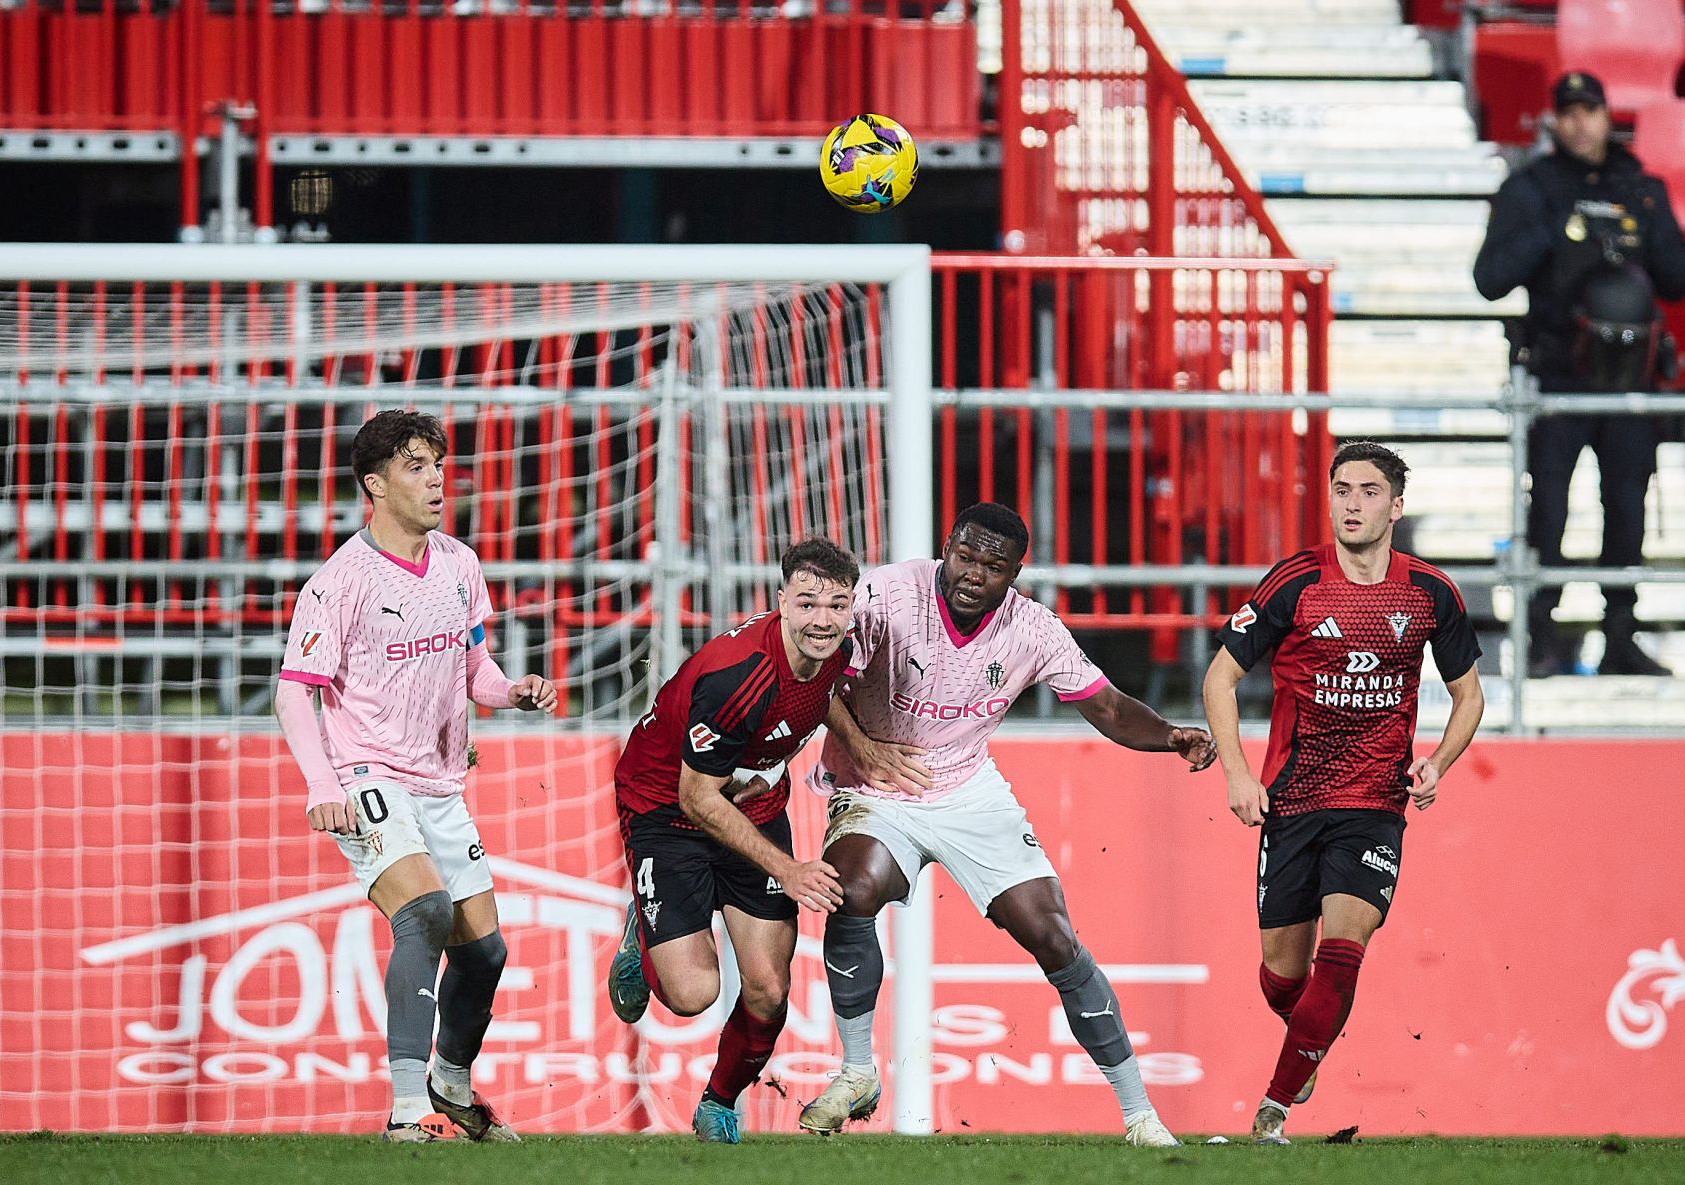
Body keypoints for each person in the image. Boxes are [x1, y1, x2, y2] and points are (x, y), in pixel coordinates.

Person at [798, 502, 1219, 1148]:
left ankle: (1140, 1115)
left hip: (968, 790)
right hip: (877, 784)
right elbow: (816, 677)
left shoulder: (1033, 630)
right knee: (851, 891)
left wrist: (1169, 736)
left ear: (1015, 574)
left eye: (992, 567)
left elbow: (1104, 705)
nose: (972, 575)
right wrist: (866, 748)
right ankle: (857, 1070)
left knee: (1052, 936)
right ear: (948, 546)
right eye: (965, 557)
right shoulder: (886, 595)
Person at [277, 409, 557, 1142]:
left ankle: (451, 1082)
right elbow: (292, 688)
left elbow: (474, 667)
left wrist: (510, 691)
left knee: (486, 951)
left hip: (439, 780)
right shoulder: (340, 581)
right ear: (375, 484)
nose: (436, 479)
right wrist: (322, 785)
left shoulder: (460, 564)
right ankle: (406, 1110)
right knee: (425, 913)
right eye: (415, 466)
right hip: (367, 771)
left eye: (437, 463)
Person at [1201, 441, 1484, 1146]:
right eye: (1341, 490)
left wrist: (1439, 763)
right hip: (1292, 802)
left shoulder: (1429, 593)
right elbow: (1218, 680)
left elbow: (1469, 695)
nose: (1351, 504)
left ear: (1396, 505)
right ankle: (1308, 1035)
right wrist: (1238, 774)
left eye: (1366, 491)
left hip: (1374, 806)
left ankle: (1275, 1107)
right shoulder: (1295, 583)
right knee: (1281, 978)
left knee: (1344, 950)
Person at [606, 538, 863, 1144]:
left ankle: (719, 1104)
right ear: (780, 603)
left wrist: (862, 745)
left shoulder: (835, 647)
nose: (822, 619)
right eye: (807, 604)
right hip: (667, 810)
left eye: (836, 604)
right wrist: (791, 869)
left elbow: (820, 696)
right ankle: (641, 927)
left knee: (770, 990)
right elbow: (699, 799)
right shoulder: (737, 677)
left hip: (752, 805)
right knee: (693, 994)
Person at [1473, 70, 1685, 677]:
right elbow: (1489, 279)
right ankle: (1545, 634)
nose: (1579, 123)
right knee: (1548, 508)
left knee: (1627, 506)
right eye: (1567, 112)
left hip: (1628, 382)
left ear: (1607, 116)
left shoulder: (1642, 189)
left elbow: (1680, 279)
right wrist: (1557, 231)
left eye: (1589, 111)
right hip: (1558, 377)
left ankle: (1620, 635)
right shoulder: (1531, 189)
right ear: (1553, 120)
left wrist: (1635, 230)